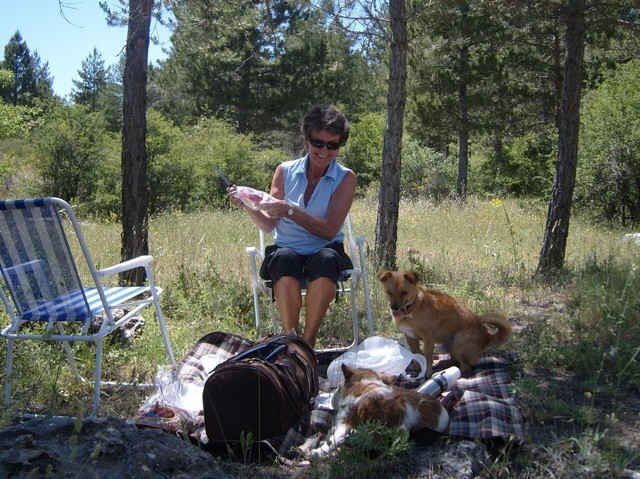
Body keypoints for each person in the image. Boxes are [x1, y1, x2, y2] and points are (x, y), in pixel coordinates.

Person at [229, 104, 356, 347]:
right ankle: (290, 338)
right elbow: (268, 225)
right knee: (284, 259)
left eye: (333, 145)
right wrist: (246, 203)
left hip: (325, 248)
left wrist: (291, 210)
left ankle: (307, 342)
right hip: (288, 248)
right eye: (318, 143)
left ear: (340, 146)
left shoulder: (346, 177)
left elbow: (329, 230)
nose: (324, 151)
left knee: (326, 260)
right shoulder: (284, 171)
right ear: (306, 141)